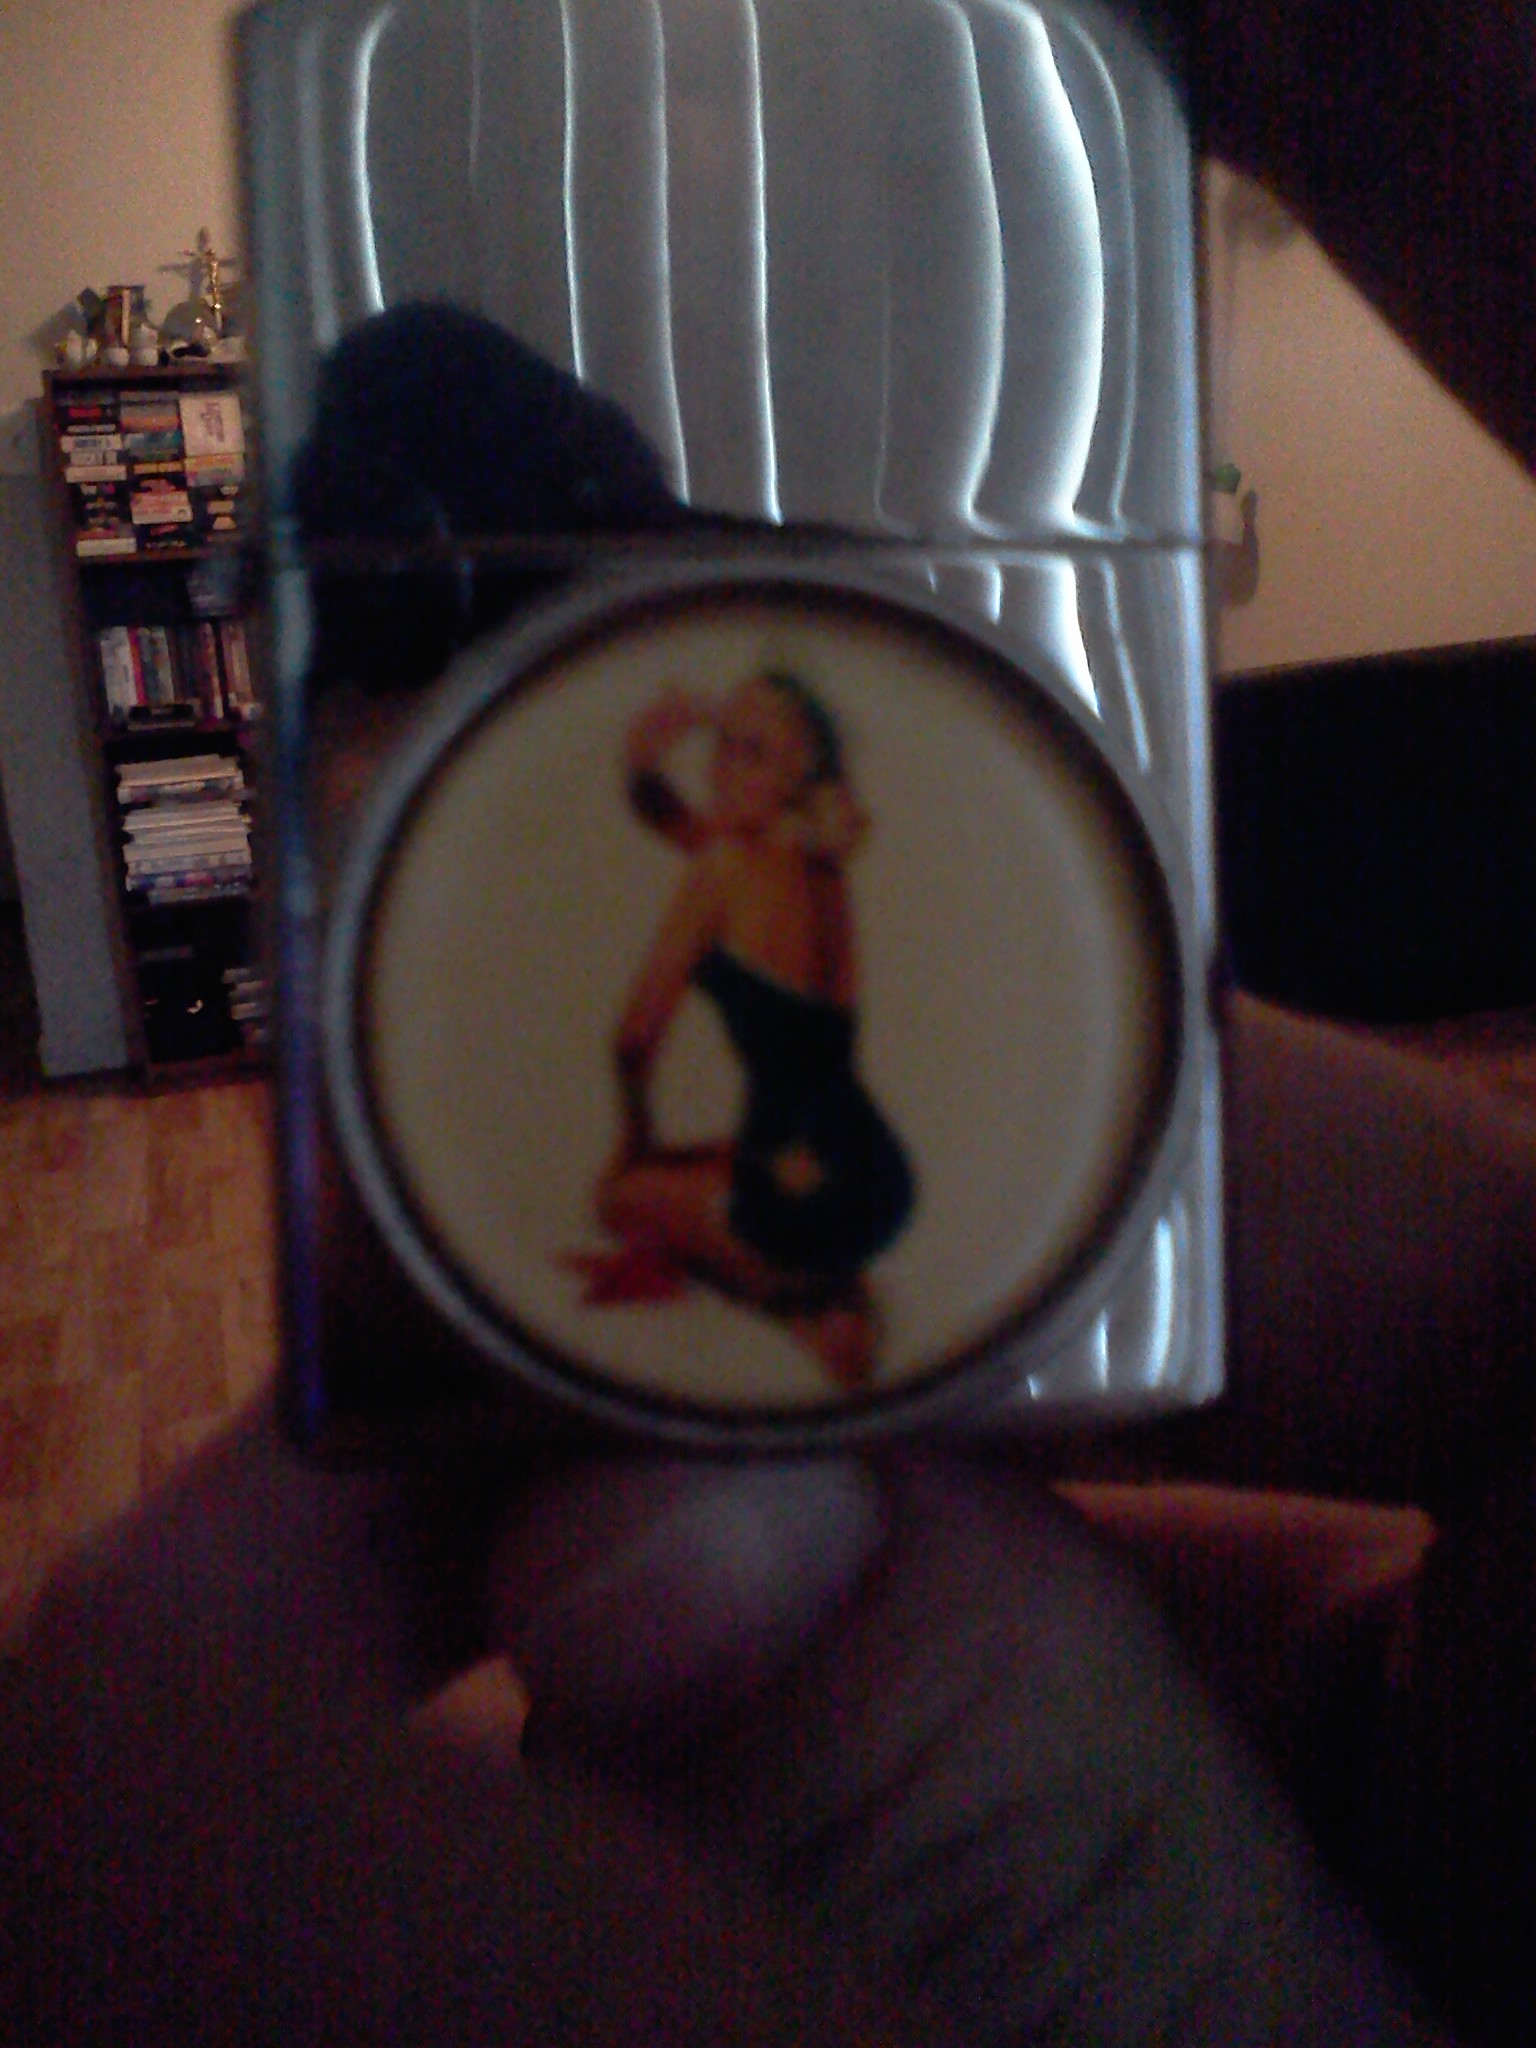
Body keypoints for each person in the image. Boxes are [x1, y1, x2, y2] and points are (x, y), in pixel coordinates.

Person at [5, 4, 1535, 2042]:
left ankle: (769, 1331)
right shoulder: (757, 817)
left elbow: (679, 931)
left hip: (846, 1181)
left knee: (661, 1306)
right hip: (856, 1167)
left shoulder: (767, 843)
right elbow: (672, 900)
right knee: (632, 1264)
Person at [569, 677, 913, 1387]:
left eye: (751, 753)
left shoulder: (723, 870)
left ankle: (804, 1307)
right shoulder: (811, 862)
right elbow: (679, 823)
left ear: (795, 775)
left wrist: (633, 1143)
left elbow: (633, 1039)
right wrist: (643, 769)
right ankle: (830, 1278)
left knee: (618, 1199)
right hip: (876, 1175)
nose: (723, 768)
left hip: (801, 1190)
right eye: (721, 746)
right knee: (706, 1161)